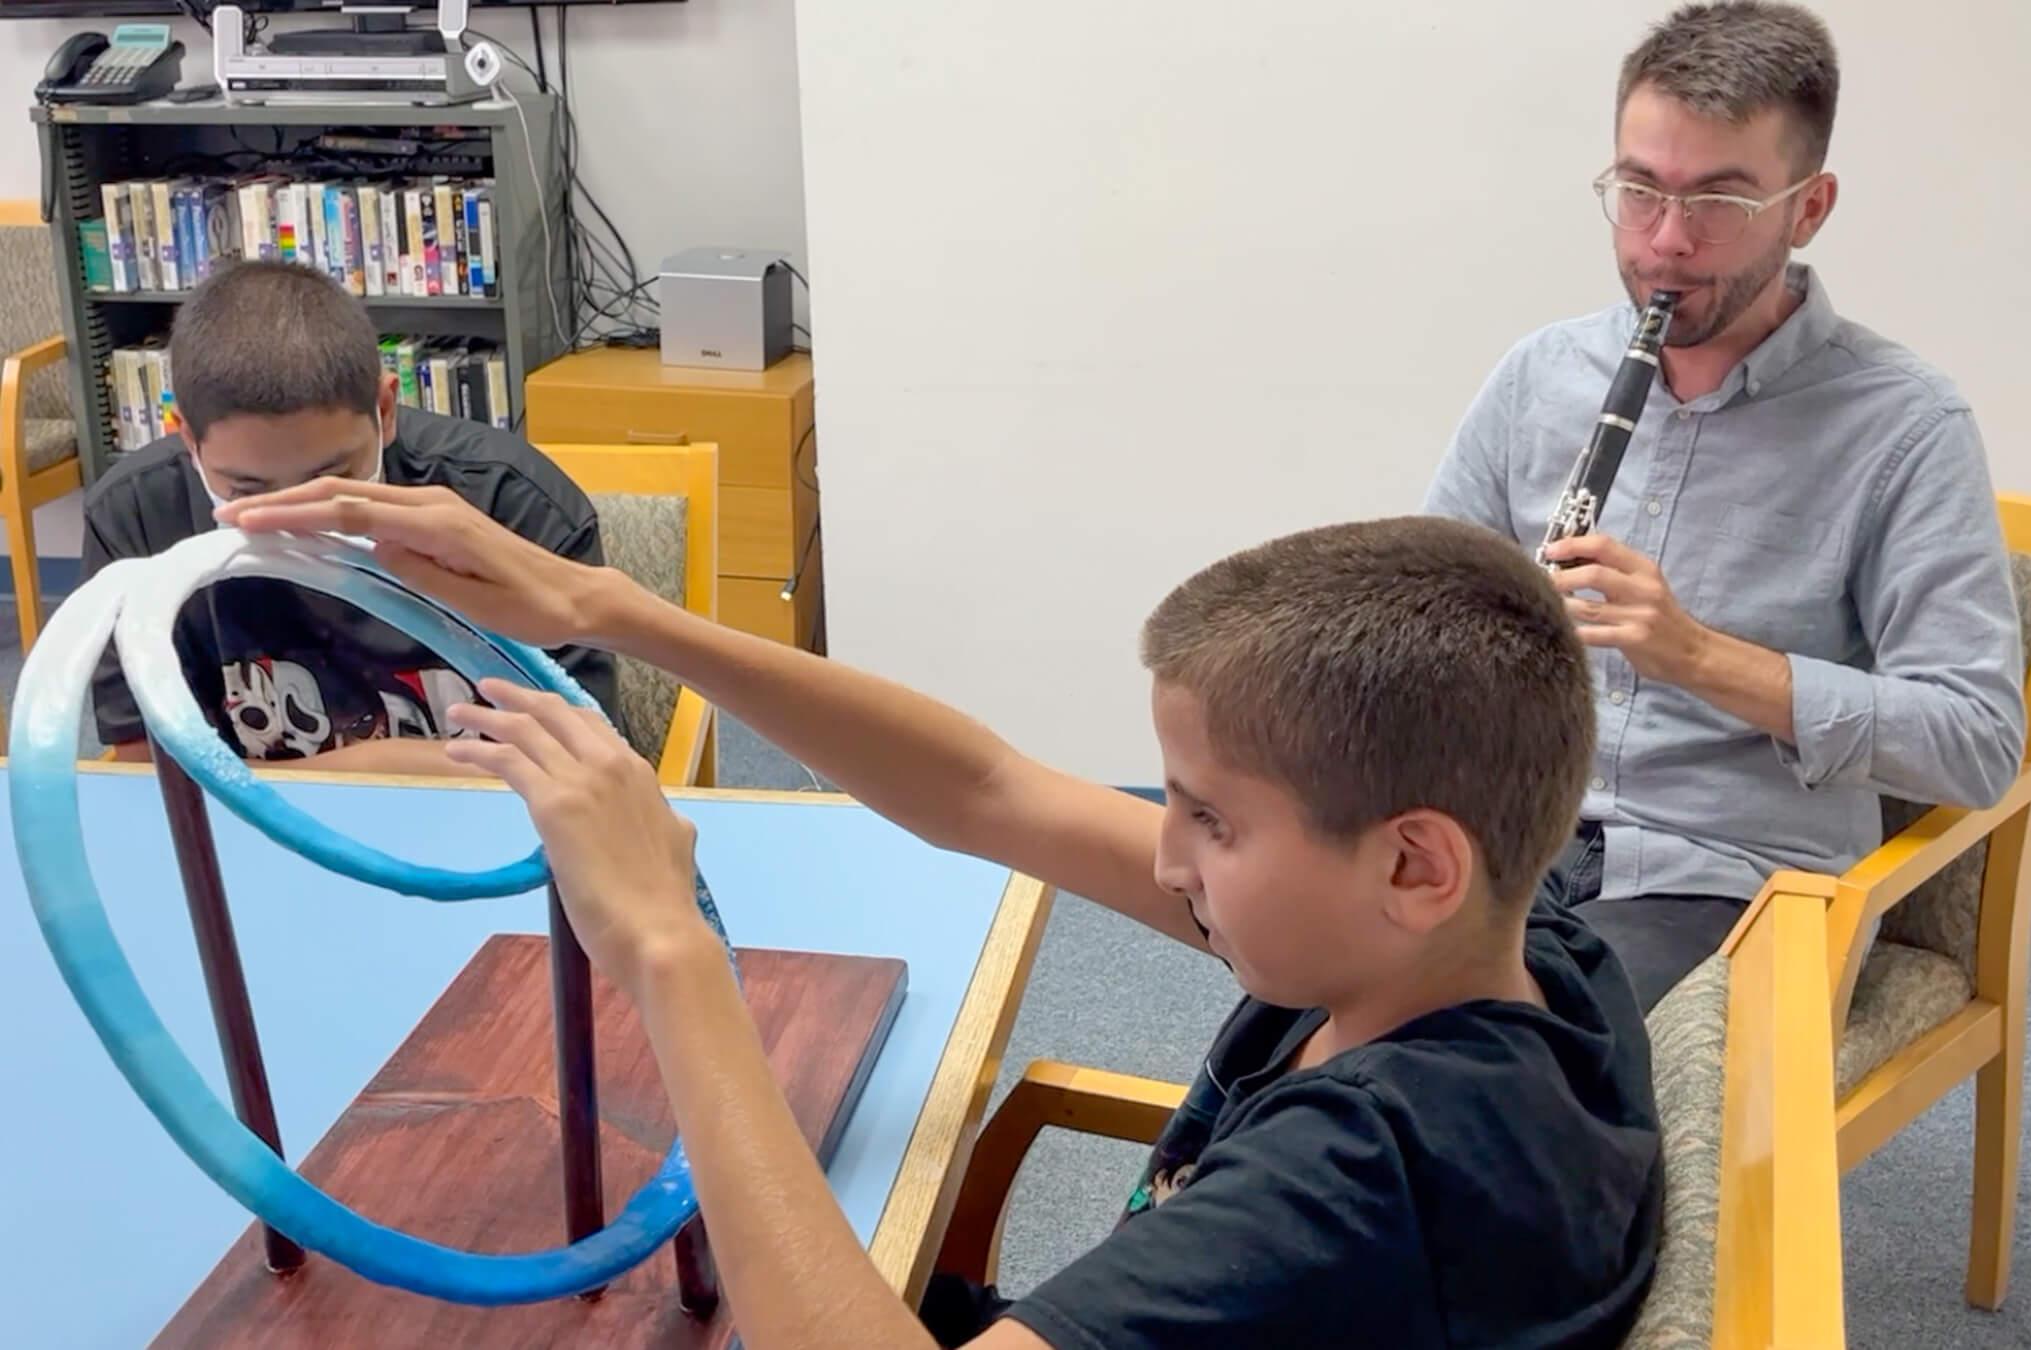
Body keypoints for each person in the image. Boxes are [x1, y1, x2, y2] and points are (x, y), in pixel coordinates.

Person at [222, 477, 1662, 1348]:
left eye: (1210, 817)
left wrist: (665, 947)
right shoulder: (1514, 950)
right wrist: (611, 608)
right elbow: (989, 788)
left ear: (1416, 862)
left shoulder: (1365, 1188)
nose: (1164, 857)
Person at [1424, 0, 2025, 1008]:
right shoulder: (1542, 375)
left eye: (1719, 204)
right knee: (1305, 983)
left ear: (1810, 206)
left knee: (1518, 1049)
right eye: (1639, 191)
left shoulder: (1906, 424)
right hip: (1506, 830)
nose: (1664, 243)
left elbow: (1974, 741)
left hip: (1725, 878)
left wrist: (1697, 656)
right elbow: (1423, 609)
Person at [80, 259, 614, 775]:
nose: (294, 519)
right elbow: (146, 775)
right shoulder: (136, 517)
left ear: (384, 412)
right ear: (185, 436)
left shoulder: (510, 503)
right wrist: (379, 766)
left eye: (331, 480)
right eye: (245, 489)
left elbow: (587, 760)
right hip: (250, 844)